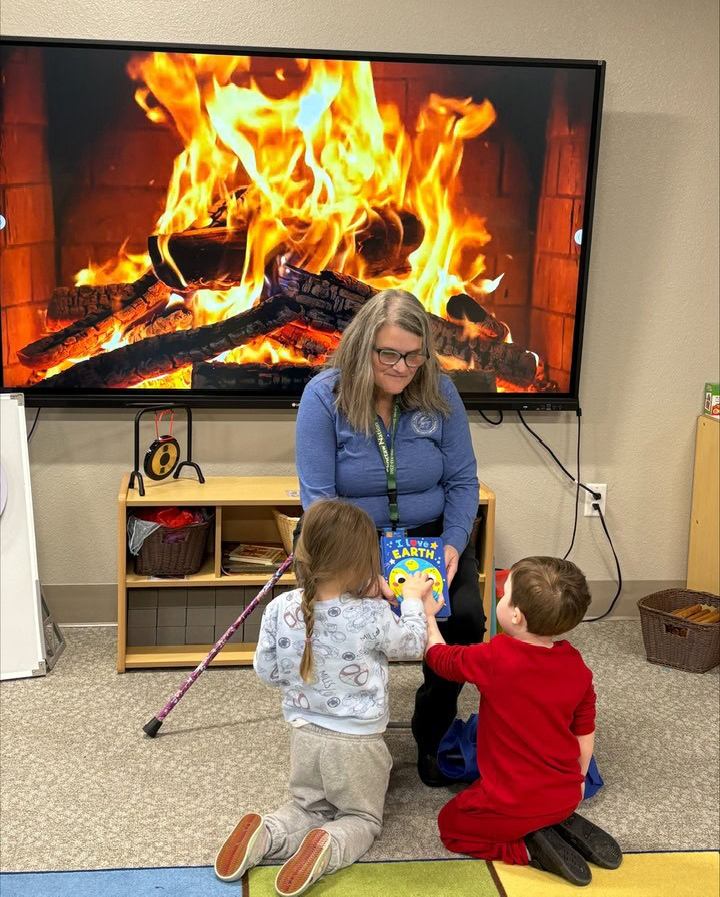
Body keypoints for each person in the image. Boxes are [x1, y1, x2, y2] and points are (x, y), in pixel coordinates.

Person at [295, 288, 485, 786]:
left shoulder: (440, 390)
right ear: (363, 348)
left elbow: (464, 481)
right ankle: (344, 739)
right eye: (389, 354)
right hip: (352, 542)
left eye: (413, 356)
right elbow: (318, 498)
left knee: (464, 619)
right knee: (342, 622)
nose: (403, 368)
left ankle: (433, 731)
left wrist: (454, 543)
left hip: (430, 539)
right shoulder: (323, 396)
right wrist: (361, 567)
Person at [214, 499, 443, 896]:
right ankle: (330, 843)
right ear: (363, 563)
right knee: (361, 817)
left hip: (304, 733)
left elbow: (267, 672)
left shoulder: (280, 607)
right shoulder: (370, 614)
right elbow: (412, 645)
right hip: (357, 741)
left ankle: (267, 834)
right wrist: (411, 601)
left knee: (309, 807)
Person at [425, 556, 623, 887]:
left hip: (511, 800)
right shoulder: (576, 665)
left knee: (451, 825)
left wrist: (427, 616)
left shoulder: (495, 657)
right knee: (536, 802)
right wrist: (578, 779)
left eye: (503, 595)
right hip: (568, 793)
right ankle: (553, 820)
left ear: (515, 616)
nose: (500, 598)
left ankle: (527, 847)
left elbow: (440, 658)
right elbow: (584, 730)